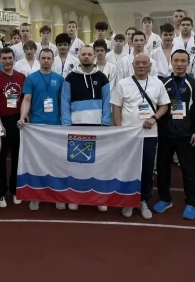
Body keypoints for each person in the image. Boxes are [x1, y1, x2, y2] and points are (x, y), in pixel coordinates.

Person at [112, 53, 169, 219]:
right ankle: (128, 201)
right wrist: (119, 130)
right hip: (128, 135)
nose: (141, 66)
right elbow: (116, 108)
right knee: (128, 168)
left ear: (150, 66)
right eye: (138, 63)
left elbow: (164, 106)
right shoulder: (122, 84)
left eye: (145, 63)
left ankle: (144, 200)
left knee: (147, 169)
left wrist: (154, 118)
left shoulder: (157, 83)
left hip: (149, 134)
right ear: (133, 66)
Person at [155, 50, 195, 220]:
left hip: (186, 135)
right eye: (176, 60)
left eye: (183, 61)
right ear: (171, 62)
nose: (179, 64)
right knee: (162, 169)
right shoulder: (163, 83)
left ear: (188, 63)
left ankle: (191, 203)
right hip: (165, 134)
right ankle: (164, 199)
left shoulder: (194, 84)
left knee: (189, 170)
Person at [61, 45, 111, 212]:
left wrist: (105, 124)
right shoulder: (70, 78)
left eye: (90, 54)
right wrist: (67, 125)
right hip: (76, 126)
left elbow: (107, 103)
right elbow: (65, 102)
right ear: (79, 57)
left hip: (97, 127)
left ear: (95, 56)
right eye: (84, 54)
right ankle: (75, 197)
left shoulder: (102, 78)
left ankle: (99, 198)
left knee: (98, 163)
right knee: (76, 163)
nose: (87, 57)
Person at [18, 48, 64, 211]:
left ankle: (57, 195)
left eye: (48, 58)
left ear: (53, 60)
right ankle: (35, 196)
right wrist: (22, 117)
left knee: (56, 162)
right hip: (36, 126)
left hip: (55, 125)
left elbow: (63, 102)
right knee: (37, 162)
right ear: (39, 59)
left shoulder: (59, 79)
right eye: (43, 58)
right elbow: (26, 100)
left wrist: (65, 122)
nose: (46, 60)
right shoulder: (31, 78)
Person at [0, 47, 26, 208]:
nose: (8, 61)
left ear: (14, 59)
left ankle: (16, 190)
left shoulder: (21, 77)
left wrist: (23, 119)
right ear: (0, 60)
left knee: (18, 157)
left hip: (17, 121)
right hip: (1, 121)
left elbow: (25, 100)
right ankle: (0, 193)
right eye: (4, 58)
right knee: (1, 158)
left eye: (10, 58)